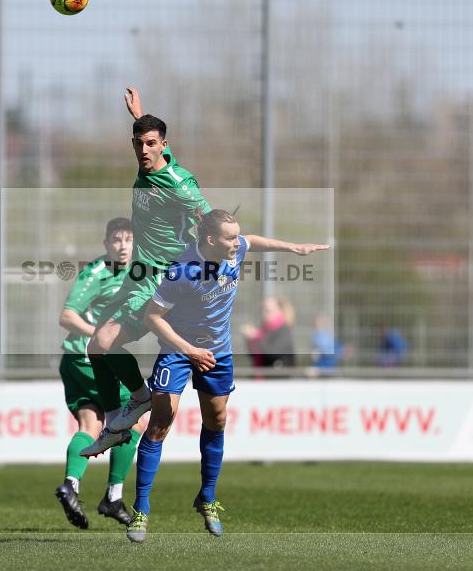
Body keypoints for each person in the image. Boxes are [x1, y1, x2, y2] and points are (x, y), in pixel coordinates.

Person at [125, 209, 330, 543]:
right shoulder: (183, 271)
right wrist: (188, 349)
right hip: (179, 350)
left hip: (218, 351)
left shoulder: (235, 249)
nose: (238, 243)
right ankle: (141, 508)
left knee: (217, 420)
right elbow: (153, 317)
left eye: (237, 236)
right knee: (162, 418)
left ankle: (207, 497)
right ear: (210, 241)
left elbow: (256, 242)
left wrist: (293, 247)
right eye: (231, 238)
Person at [81, 88, 212, 457]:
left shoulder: (177, 181)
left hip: (163, 280)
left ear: (164, 144)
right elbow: (149, 141)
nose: (144, 150)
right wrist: (139, 113)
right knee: (96, 347)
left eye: (151, 143)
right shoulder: (150, 161)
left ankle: (139, 401)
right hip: (141, 276)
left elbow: (207, 214)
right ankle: (121, 418)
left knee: (104, 344)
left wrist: (221, 248)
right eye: (138, 142)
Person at [54, 217, 146, 529]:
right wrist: (99, 336)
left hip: (79, 360)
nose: (123, 246)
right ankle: (113, 497)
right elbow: (67, 316)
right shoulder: (96, 272)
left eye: (128, 240)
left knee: (90, 424)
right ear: (106, 244)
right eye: (117, 241)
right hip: (87, 358)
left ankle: (71, 485)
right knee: (133, 418)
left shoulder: (136, 270)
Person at [241, 296, 296, 368]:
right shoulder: (264, 330)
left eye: (267, 310)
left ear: (279, 311)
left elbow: (272, 353)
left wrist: (256, 336)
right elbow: (255, 356)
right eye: (262, 309)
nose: (264, 313)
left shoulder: (284, 330)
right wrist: (249, 340)